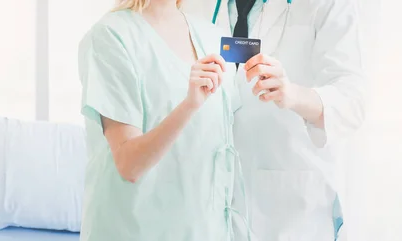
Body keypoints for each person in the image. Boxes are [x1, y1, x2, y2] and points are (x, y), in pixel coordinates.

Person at [181, 0, 365, 240]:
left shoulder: (326, 5)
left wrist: (292, 94)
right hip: (208, 208)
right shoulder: (193, 6)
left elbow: (352, 102)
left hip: (291, 213)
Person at [77, 0, 245, 240]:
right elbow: (129, 163)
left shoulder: (212, 37)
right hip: (134, 230)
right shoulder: (110, 37)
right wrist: (190, 105)